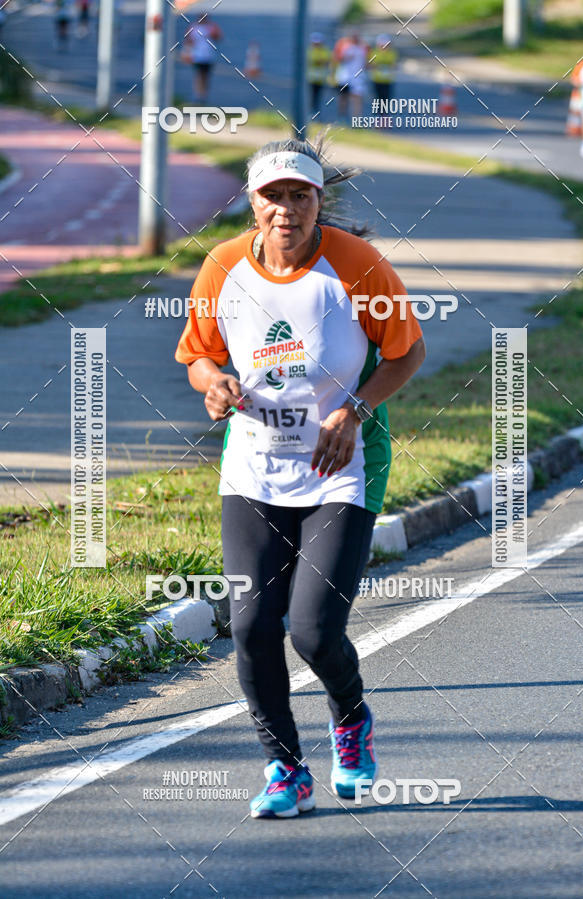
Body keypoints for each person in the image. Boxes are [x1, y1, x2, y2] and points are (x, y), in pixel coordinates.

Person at [175, 136, 425, 819]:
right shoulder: (223, 267)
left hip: (339, 468)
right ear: (252, 202)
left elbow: (406, 352)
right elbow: (198, 356)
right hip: (253, 470)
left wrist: (357, 406)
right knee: (253, 626)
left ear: (319, 201)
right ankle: (286, 768)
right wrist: (214, 384)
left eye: (300, 195)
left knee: (313, 630)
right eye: (272, 196)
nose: (286, 210)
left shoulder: (357, 266)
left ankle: (350, 716)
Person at [183, 10, 223, 102]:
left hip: (208, 56)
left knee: (206, 76)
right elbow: (188, 41)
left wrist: (214, 33)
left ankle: (203, 96)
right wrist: (186, 54)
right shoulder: (193, 27)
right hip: (197, 56)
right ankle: (198, 95)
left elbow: (219, 37)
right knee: (199, 75)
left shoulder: (212, 27)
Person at [333, 31, 368, 120]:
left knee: (357, 98)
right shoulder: (345, 46)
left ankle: (357, 119)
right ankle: (342, 117)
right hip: (345, 76)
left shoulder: (363, 48)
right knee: (343, 97)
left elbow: (367, 62)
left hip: (358, 78)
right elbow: (337, 58)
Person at [306, 33, 332, 118]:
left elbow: (325, 62)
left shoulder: (325, 50)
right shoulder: (309, 50)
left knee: (317, 97)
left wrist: (317, 62)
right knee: (310, 97)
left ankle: (315, 114)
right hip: (310, 78)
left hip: (320, 78)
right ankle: (309, 113)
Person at [368, 34, 397, 106]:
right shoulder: (374, 53)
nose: (384, 47)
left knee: (386, 98)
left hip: (388, 80)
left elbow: (394, 65)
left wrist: (386, 66)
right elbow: (370, 65)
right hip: (376, 79)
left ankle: (384, 115)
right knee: (378, 98)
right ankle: (379, 114)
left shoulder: (392, 53)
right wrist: (377, 66)